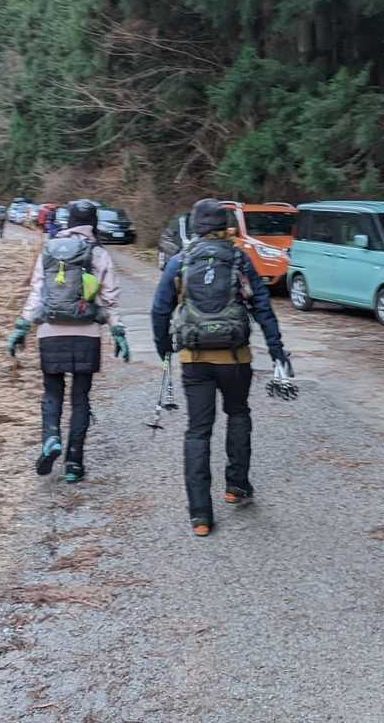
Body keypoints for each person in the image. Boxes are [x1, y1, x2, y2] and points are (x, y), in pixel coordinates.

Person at [151, 198, 290, 537]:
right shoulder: (239, 259)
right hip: (235, 358)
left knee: (198, 431)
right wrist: (277, 351)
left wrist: (164, 349)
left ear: (195, 227)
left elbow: (159, 310)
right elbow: (262, 307)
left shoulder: (180, 261)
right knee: (238, 414)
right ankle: (236, 486)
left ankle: (200, 515)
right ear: (225, 226)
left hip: (195, 360)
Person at [9, 199, 131, 482]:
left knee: (52, 393)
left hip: (50, 333)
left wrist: (22, 327)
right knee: (80, 399)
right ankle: (74, 463)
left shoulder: (50, 249)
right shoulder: (98, 253)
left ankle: (51, 437)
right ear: (94, 223)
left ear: (69, 221)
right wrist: (118, 332)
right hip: (86, 335)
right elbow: (109, 299)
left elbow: (36, 294)